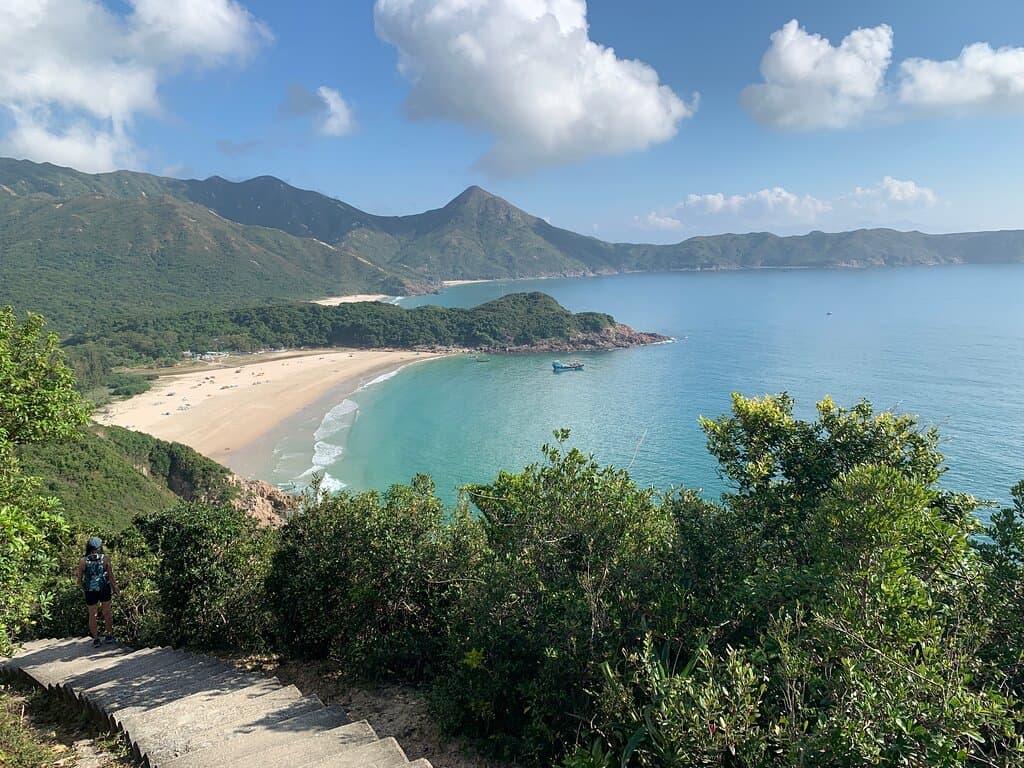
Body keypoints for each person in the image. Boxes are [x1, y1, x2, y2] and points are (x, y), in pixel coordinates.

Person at [75, 536, 118, 647]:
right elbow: (111, 577)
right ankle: (109, 635)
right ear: (100, 547)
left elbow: (79, 580)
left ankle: (96, 639)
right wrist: (115, 589)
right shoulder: (105, 559)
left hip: (90, 590)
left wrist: (85, 587)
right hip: (104, 588)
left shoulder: (83, 561)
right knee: (107, 612)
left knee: (92, 614)